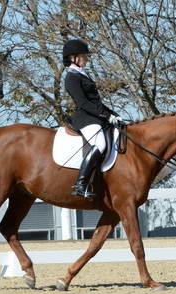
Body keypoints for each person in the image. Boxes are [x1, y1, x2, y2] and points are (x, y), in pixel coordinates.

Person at [62, 39, 123, 199]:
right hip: (85, 118)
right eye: (83, 56)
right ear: (73, 57)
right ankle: (80, 185)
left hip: (95, 116)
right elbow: (83, 103)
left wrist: (114, 114)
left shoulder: (83, 74)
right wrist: (106, 115)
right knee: (100, 144)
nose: (86, 59)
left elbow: (97, 102)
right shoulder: (71, 77)